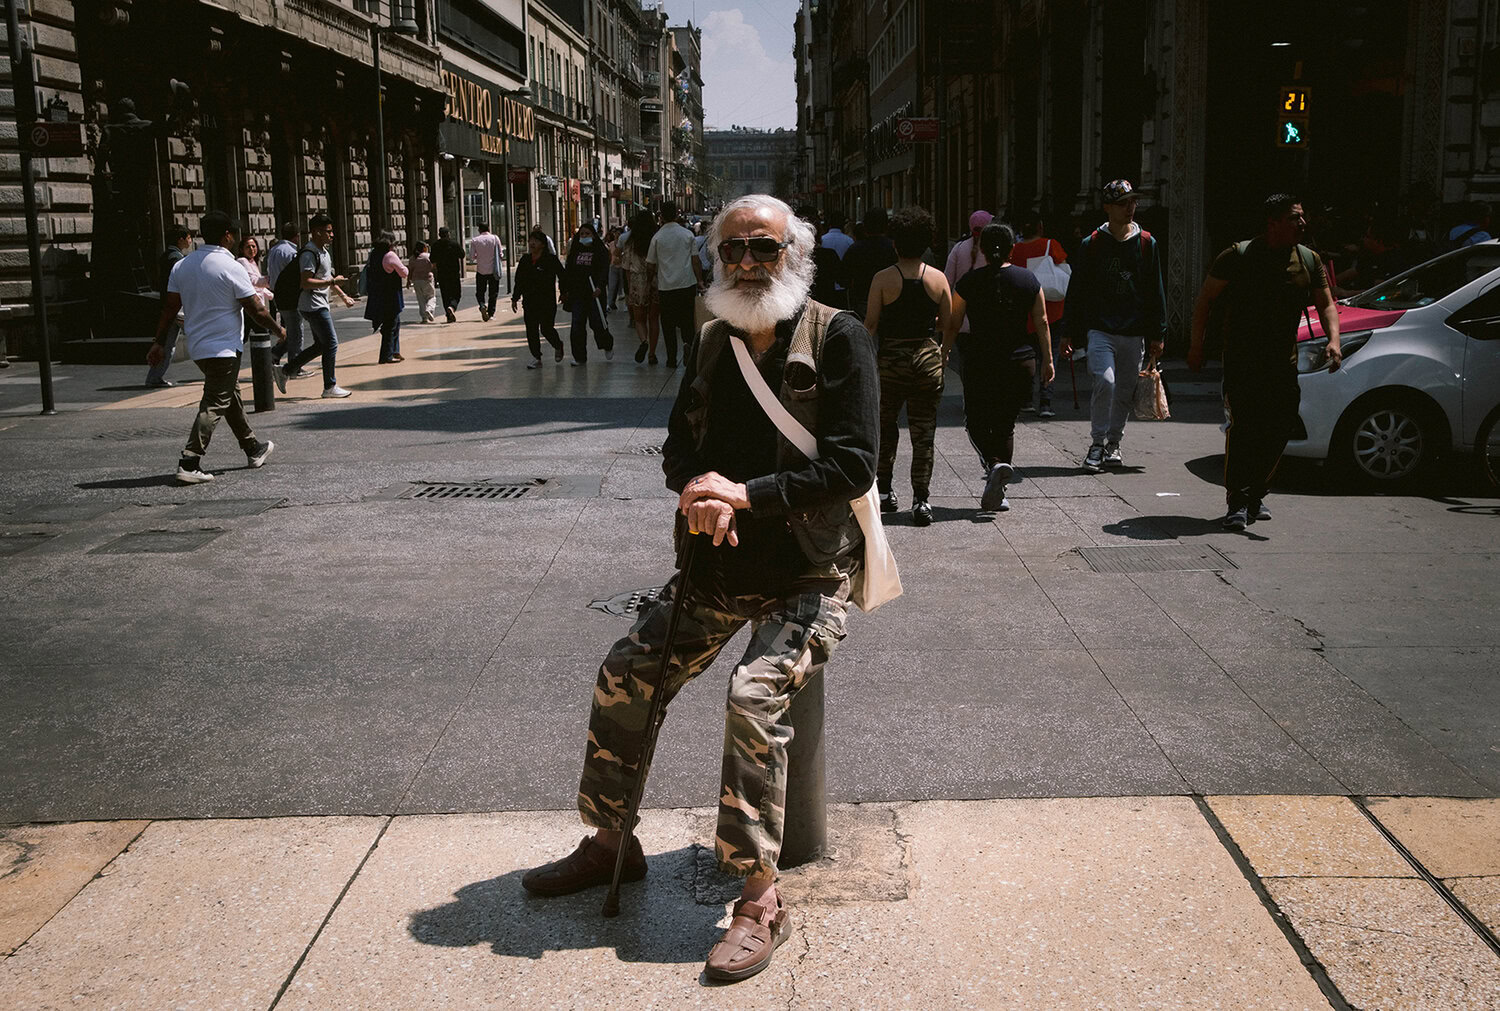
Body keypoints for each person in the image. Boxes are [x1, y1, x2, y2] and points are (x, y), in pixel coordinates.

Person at [520, 193, 877, 984]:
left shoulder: (837, 336)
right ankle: (611, 841)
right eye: (733, 250)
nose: (747, 263)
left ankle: (759, 895)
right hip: (717, 568)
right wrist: (698, 493)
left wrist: (746, 495)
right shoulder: (714, 339)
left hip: (806, 576)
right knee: (627, 670)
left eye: (764, 248)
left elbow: (853, 464)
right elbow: (679, 449)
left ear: (795, 255)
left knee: (754, 695)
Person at [1189, 194, 1341, 530]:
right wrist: (1196, 346)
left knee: (1280, 428)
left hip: (1284, 362)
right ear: (1272, 223)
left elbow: (1326, 304)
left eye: (1302, 217)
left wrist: (1334, 340)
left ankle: (1257, 493)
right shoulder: (1238, 255)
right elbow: (1205, 300)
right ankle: (1238, 501)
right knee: (1245, 429)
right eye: (1294, 218)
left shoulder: (1308, 259)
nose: (1302, 223)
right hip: (1242, 361)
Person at [146, 210, 283, 484]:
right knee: (215, 402)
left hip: (198, 347)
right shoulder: (231, 266)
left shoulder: (182, 266)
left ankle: (252, 447)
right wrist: (278, 329)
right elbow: (256, 309)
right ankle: (190, 460)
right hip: (224, 347)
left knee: (229, 396)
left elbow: (169, 308)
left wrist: (158, 342)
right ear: (227, 235)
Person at [946, 223, 1056, 513]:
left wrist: (943, 351)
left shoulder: (969, 282)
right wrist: (1048, 360)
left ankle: (994, 465)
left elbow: (954, 322)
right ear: (1012, 249)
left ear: (981, 249)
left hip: (980, 361)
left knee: (977, 421)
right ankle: (1000, 488)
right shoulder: (1028, 280)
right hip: (1021, 362)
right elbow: (1042, 321)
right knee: (1006, 424)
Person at [1063, 179, 1166, 472]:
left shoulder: (1146, 243)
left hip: (1133, 332)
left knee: (1124, 390)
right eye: (1122, 203)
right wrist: (1068, 332)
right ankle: (1097, 443)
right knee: (1105, 382)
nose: (1130, 208)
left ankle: (1114, 442)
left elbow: (1155, 290)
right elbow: (1077, 290)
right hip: (1101, 329)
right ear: (1107, 207)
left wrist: (1158, 334)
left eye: (1133, 201)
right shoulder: (1093, 244)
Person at [863, 206, 951, 526]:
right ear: (926, 242)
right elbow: (947, 323)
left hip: (891, 363)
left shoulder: (883, 279)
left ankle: (886, 491)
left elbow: (871, 325)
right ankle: (921, 500)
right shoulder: (938, 279)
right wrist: (942, 351)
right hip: (927, 360)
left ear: (895, 243)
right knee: (923, 434)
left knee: (886, 428)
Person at [275, 212, 357, 398]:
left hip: (318, 303)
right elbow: (306, 282)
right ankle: (329, 386)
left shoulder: (323, 252)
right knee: (331, 343)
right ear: (317, 232)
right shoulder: (309, 253)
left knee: (321, 345)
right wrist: (332, 282)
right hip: (312, 305)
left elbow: (326, 276)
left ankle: (286, 370)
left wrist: (342, 295)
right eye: (328, 231)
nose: (332, 235)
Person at [1010, 211, 1068, 418]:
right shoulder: (1050, 245)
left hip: (1025, 310)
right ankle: (1046, 402)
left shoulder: (1014, 249)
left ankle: (1026, 399)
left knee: (1028, 355)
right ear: (1040, 226)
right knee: (1049, 355)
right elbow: (1063, 266)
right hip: (1051, 309)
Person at [647, 200, 705, 368]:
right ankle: (689, 348)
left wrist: (650, 281)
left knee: (668, 324)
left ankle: (671, 358)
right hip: (687, 284)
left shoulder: (657, 237)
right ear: (677, 214)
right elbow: (695, 260)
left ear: (661, 216)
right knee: (687, 321)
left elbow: (650, 265)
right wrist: (700, 280)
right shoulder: (687, 235)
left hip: (666, 287)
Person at [942, 210, 993, 365]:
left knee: (966, 364)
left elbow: (947, 282)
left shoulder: (958, 248)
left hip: (961, 321)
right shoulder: (993, 252)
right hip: (987, 320)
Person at [145, 224, 194, 387]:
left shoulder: (168, 256)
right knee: (200, 335)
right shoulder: (176, 259)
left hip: (171, 308)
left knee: (167, 345)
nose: (190, 241)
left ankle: (154, 377)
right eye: (189, 237)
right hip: (177, 309)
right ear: (181, 239)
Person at [510, 229, 567, 368]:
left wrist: (564, 292)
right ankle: (536, 357)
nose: (532, 243)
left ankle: (558, 345)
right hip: (529, 301)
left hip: (547, 300)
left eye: (535, 240)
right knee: (531, 329)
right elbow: (519, 280)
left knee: (546, 329)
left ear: (543, 244)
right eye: (530, 240)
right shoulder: (525, 260)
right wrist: (515, 298)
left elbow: (562, 276)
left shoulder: (550, 260)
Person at [562, 223, 615, 364]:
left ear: (593, 235)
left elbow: (604, 270)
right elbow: (569, 271)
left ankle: (607, 344)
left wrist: (600, 286)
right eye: (582, 234)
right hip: (578, 293)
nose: (584, 236)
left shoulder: (600, 251)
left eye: (587, 234)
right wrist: (565, 290)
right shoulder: (575, 251)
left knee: (597, 323)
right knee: (577, 325)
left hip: (594, 293)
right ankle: (579, 357)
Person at [841, 208, 898, 322]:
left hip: (862, 303)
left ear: (865, 227)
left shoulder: (855, 249)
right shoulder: (894, 249)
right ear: (886, 226)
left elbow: (843, 278)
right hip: (890, 301)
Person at [620, 210, 662, 364]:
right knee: (654, 319)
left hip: (637, 282)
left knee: (639, 319)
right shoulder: (656, 240)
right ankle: (652, 354)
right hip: (655, 281)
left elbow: (626, 267)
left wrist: (629, 286)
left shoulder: (630, 243)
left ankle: (644, 341)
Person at [363, 230, 408, 364]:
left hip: (378, 294)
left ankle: (394, 350)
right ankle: (386, 355)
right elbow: (404, 272)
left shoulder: (374, 254)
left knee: (395, 322)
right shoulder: (390, 255)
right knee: (390, 325)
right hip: (390, 295)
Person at [264, 221, 304, 363]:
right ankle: (295, 364)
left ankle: (277, 353)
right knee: (296, 330)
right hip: (290, 294)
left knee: (291, 329)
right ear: (297, 236)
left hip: (277, 293)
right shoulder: (291, 252)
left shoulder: (274, 250)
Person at [469, 221, 504, 322]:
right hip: (493, 270)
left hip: (481, 270)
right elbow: (501, 254)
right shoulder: (495, 238)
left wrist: (478, 256)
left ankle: (482, 305)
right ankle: (491, 313)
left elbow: (471, 257)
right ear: (488, 228)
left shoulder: (475, 240)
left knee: (480, 292)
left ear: (479, 230)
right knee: (493, 292)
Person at [430, 226, 465, 323]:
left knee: (445, 295)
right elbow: (462, 255)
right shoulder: (454, 244)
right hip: (454, 273)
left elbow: (432, 259)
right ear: (448, 234)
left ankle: (448, 314)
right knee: (456, 294)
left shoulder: (436, 245)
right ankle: (452, 307)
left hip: (442, 273)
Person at [408, 240, 437, 323]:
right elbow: (434, 266)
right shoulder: (428, 256)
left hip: (416, 280)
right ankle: (429, 309)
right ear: (424, 248)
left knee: (421, 299)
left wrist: (408, 281)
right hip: (427, 279)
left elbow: (410, 270)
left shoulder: (412, 258)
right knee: (431, 297)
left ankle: (424, 318)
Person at [605, 225, 626, 311]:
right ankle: (610, 304)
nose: (617, 235)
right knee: (612, 286)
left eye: (619, 233)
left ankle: (626, 304)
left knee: (624, 286)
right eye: (616, 233)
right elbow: (609, 255)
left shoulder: (624, 244)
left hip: (623, 267)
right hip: (613, 267)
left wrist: (620, 259)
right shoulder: (611, 244)